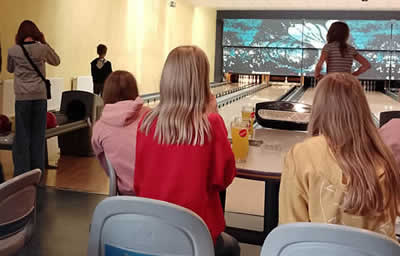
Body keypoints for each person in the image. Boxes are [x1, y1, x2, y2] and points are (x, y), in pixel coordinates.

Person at [134, 46, 239, 255]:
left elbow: (138, 183)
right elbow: (224, 178)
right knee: (232, 246)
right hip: (195, 237)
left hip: (152, 231)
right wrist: (214, 113)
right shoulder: (211, 123)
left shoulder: (146, 123)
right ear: (202, 82)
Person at [279, 73, 400, 240]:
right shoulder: (384, 157)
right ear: (362, 108)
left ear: (319, 108)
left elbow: (289, 229)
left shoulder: (301, 154)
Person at [7, 20, 60, 176]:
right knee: (38, 135)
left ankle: (21, 174)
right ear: (36, 33)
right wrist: (44, 42)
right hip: (39, 96)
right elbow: (56, 60)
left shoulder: (13, 50)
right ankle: (37, 172)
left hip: (22, 97)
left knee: (22, 136)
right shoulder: (42, 49)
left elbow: (10, 69)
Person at [91, 71, 150, 195]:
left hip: (126, 195)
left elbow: (107, 167)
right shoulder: (151, 116)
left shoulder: (99, 127)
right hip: (156, 192)